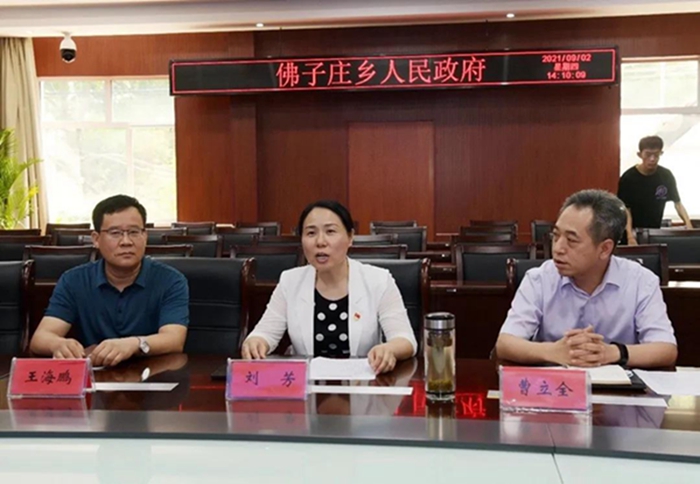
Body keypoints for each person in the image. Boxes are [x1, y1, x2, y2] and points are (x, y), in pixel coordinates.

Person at [495, 189, 677, 368]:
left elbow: (665, 349)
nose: (558, 248)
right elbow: (505, 343)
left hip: (618, 385)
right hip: (555, 383)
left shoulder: (641, 281)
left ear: (604, 249)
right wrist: (554, 352)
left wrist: (611, 353)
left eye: (572, 240)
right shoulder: (538, 279)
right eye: (556, 236)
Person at [241, 200, 417, 374]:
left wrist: (389, 349)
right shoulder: (290, 281)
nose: (320, 242)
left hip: (362, 385)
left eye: (330, 231)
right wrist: (256, 342)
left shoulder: (378, 280)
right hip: (307, 386)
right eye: (311, 233)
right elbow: (265, 333)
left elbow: (405, 339)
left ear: (350, 237)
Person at [30, 195, 189, 367]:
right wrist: (59, 345)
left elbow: (174, 339)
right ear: (96, 239)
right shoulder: (74, 280)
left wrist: (134, 344)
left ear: (145, 236)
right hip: (95, 376)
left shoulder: (171, 280)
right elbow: (40, 338)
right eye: (115, 233)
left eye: (134, 232)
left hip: (153, 375)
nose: (126, 242)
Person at [618, 135, 693, 245]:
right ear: (640, 154)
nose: (652, 159)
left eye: (656, 155)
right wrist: (630, 236)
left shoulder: (666, 176)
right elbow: (626, 210)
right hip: (632, 232)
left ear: (661, 154)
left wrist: (689, 225)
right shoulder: (628, 178)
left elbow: (677, 203)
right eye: (648, 155)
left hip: (654, 232)